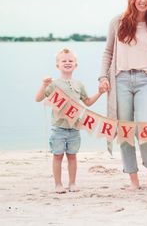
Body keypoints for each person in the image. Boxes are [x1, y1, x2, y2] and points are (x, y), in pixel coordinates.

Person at [98, 0, 147, 190]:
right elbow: (108, 51)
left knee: (145, 126)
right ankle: (133, 179)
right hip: (121, 80)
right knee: (125, 130)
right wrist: (102, 77)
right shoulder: (118, 22)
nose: (143, 1)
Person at [35, 48, 104, 194]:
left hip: (74, 129)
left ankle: (72, 183)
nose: (67, 63)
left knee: (72, 157)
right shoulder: (53, 84)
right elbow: (38, 98)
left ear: (75, 65)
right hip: (58, 128)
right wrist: (44, 84)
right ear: (57, 65)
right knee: (58, 156)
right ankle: (58, 184)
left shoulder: (79, 85)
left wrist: (100, 92)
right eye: (64, 61)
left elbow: (88, 102)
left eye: (70, 61)